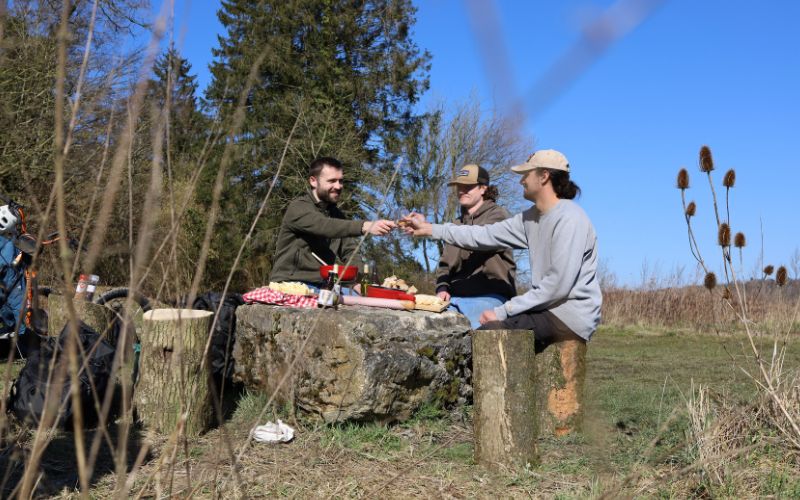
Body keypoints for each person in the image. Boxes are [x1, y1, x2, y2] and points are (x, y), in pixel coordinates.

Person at [402, 149, 601, 352]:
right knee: (478, 336)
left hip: (567, 316)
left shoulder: (570, 218)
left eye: (526, 174)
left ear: (544, 176)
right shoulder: (529, 219)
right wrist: (429, 229)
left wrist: (501, 312)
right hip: (546, 310)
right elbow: (482, 235)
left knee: (487, 338)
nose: (521, 180)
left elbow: (557, 286)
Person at [269, 157, 396, 291]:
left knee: (367, 298)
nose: (338, 186)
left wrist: (357, 282)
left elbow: (350, 251)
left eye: (340, 181)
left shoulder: (336, 215)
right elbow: (324, 226)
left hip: (326, 284)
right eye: (332, 181)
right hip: (291, 284)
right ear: (313, 181)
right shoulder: (298, 207)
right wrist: (365, 226)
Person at [435, 164, 516, 329]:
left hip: (491, 297)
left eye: (468, 186)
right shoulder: (455, 225)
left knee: (465, 332)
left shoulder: (499, 217)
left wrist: (432, 229)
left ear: (483, 188)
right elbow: (445, 265)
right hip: (455, 298)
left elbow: (478, 238)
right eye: (459, 186)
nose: (462, 191)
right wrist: (442, 288)